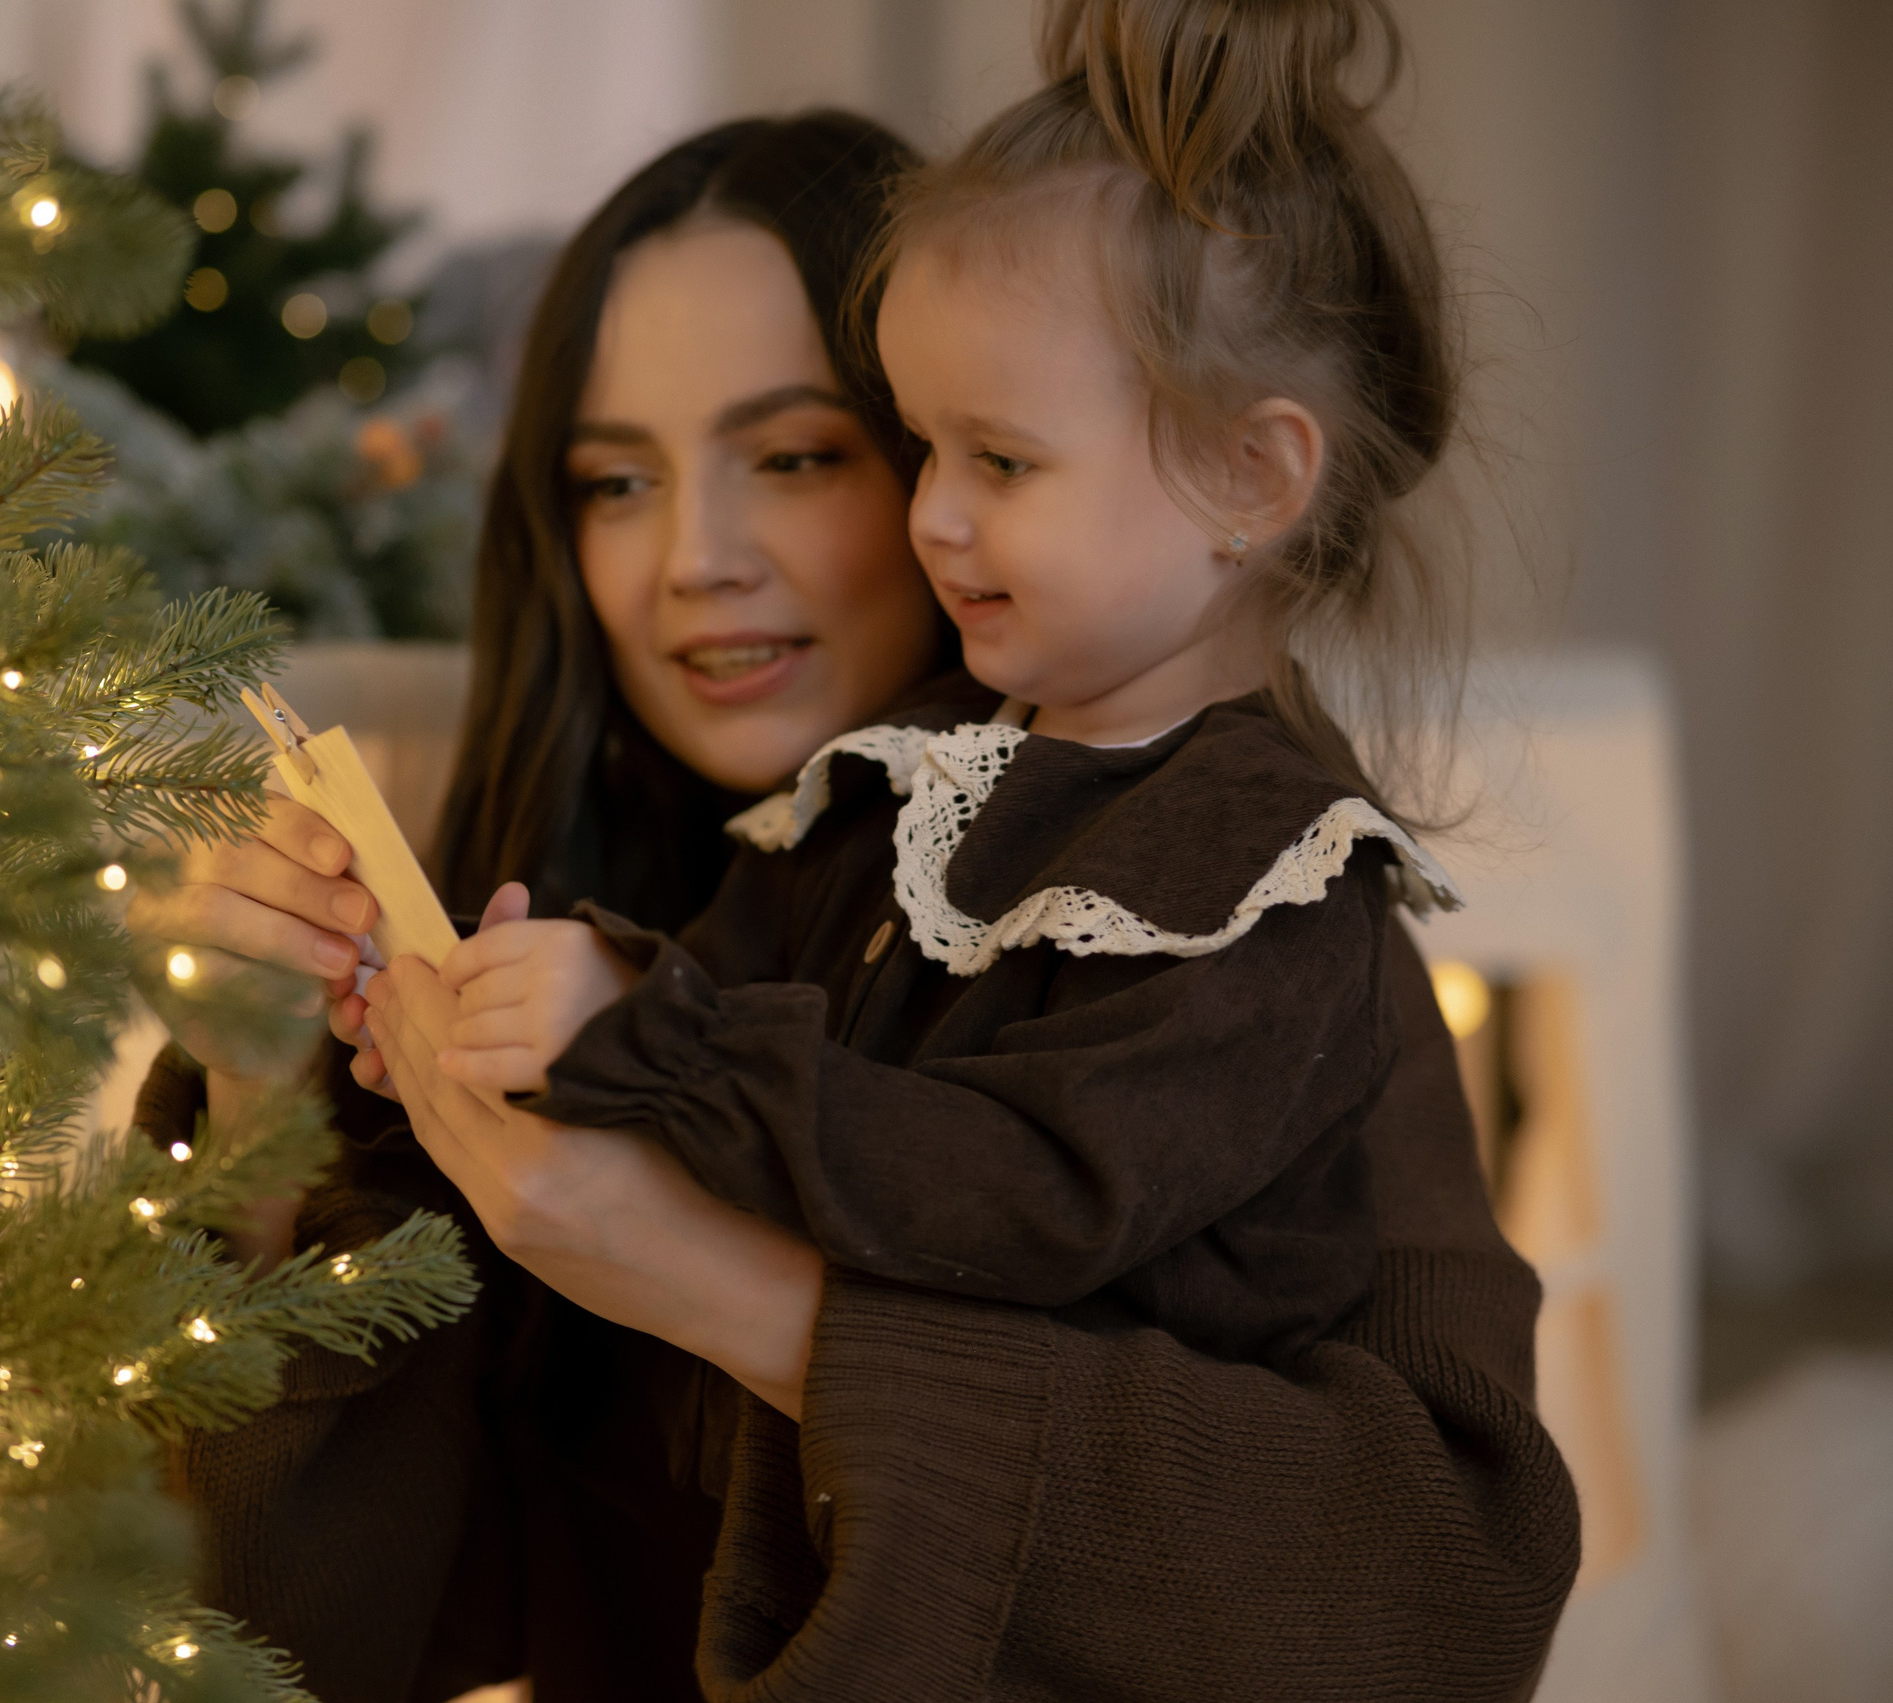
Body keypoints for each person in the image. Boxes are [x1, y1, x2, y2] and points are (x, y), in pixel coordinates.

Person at [137, 82, 1576, 1703]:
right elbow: (279, 1653)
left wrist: (733, 1292)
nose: (696, 557)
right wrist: (261, 1141)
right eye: (616, 481)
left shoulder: (1233, 920)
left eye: (799, 455)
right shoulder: (590, 933)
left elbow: (1446, 1597)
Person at [414, 0, 1472, 1382]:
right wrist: (449, 1014)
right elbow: (708, 990)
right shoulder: (907, 773)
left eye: (1001, 461)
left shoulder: (1272, 885)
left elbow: (1032, 1194)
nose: (934, 518)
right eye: (921, 450)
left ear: (1251, 478)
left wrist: (655, 1046)